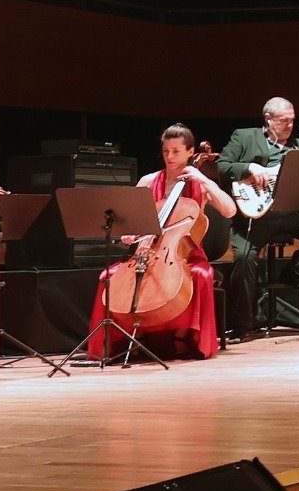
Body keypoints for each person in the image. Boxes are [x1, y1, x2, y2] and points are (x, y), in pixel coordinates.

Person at [87, 125, 236, 361]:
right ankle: (122, 341)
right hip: (147, 253)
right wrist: (128, 234)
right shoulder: (148, 181)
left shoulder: (199, 183)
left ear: (190, 152)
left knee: (201, 275)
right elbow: (128, 222)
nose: (169, 157)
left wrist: (204, 180)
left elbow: (229, 210)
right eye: (166, 151)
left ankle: (183, 339)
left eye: (176, 151)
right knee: (109, 275)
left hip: (185, 256)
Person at [217, 97, 299, 330]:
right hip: (254, 217)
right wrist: (249, 168)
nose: (290, 125)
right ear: (268, 119)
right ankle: (241, 325)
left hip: (292, 214)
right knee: (244, 258)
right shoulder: (244, 137)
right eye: (284, 120)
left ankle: (294, 271)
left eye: (292, 120)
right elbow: (222, 166)